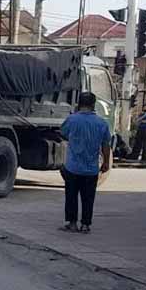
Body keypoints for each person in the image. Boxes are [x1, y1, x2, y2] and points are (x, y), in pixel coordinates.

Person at [58, 92, 112, 233]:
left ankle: (72, 223)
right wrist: (106, 162)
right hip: (91, 168)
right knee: (88, 197)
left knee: (71, 195)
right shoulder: (101, 123)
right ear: (94, 104)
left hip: (73, 166)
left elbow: (63, 133)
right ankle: (86, 225)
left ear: (79, 103)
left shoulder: (72, 120)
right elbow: (106, 146)